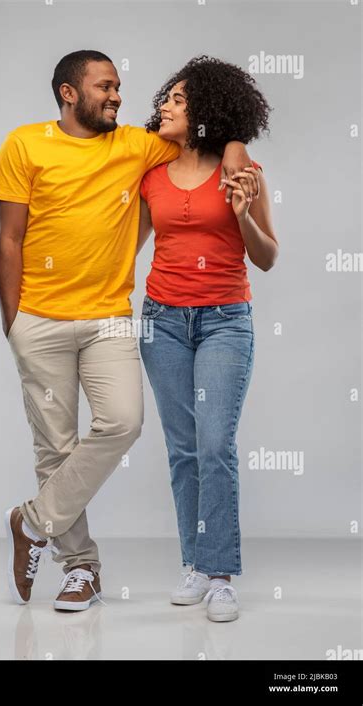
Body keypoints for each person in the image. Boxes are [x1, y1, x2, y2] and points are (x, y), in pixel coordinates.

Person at [0, 49, 255, 611]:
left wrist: (232, 146)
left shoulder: (137, 144)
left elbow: (203, 137)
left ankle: (31, 522)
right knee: (55, 449)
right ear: (68, 92)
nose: (117, 97)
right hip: (37, 318)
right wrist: (12, 322)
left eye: (119, 88)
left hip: (109, 316)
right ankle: (81, 568)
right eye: (105, 87)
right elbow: (8, 237)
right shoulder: (23, 144)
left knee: (124, 422)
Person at [138, 55, 278, 621]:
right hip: (162, 321)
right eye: (165, 97)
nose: (164, 105)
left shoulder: (242, 170)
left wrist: (242, 213)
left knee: (215, 445)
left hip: (224, 320)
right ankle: (194, 563)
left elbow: (266, 257)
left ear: (207, 107)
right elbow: (130, 248)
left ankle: (220, 575)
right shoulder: (150, 174)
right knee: (183, 450)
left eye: (176, 97)